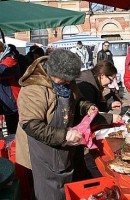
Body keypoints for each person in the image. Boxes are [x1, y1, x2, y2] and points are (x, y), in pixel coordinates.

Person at [15, 49, 98, 199]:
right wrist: (65, 134)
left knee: (64, 188)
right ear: (52, 72)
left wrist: (86, 107)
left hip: (62, 148)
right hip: (41, 149)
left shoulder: (67, 80)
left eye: (70, 80)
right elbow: (32, 125)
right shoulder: (34, 89)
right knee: (49, 192)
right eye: (64, 80)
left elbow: (77, 101)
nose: (68, 83)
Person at [75, 60, 122, 179]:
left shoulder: (92, 80)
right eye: (110, 80)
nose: (110, 83)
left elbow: (94, 105)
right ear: (102, 75)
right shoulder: (86, 85)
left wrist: (109, 106)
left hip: (77, 130)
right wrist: (111, 117)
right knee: (77, 160)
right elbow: (89, 115)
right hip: (75, 130)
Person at [0, 42, 21, 135]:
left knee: (14, 132)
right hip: (5, 101)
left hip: (13, 102)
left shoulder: (10, 59)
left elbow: (2, 71)